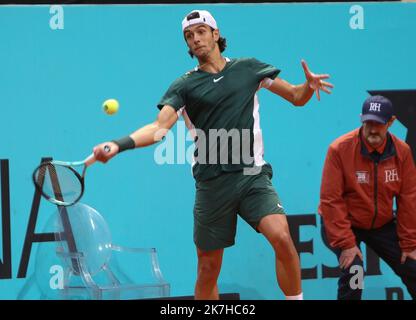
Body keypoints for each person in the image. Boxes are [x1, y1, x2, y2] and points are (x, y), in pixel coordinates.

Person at [93, 9, 333, 300]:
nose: (195, 39)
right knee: (208, 268)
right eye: (188, 36)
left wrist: (308, 86)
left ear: (216, 34)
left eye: (201, 32)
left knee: (282, 237)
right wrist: (119, 144)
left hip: (251, 176)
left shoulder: (248, 69)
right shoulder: (184, 86)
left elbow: (296, 96)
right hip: (212, 184)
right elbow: (159, 128)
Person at [319, 95, 416, 300]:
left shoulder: (402, 152)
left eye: (379, 124)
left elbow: (408, 199)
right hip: (344, 222)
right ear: (361, 119)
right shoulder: (339, 149)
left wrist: (409, 245)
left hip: (382, 224)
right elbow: (330, 200)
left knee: (413, 266)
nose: (373, 129)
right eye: (368, 123)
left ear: (390, 122)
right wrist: (346, 244)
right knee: (354, 272)